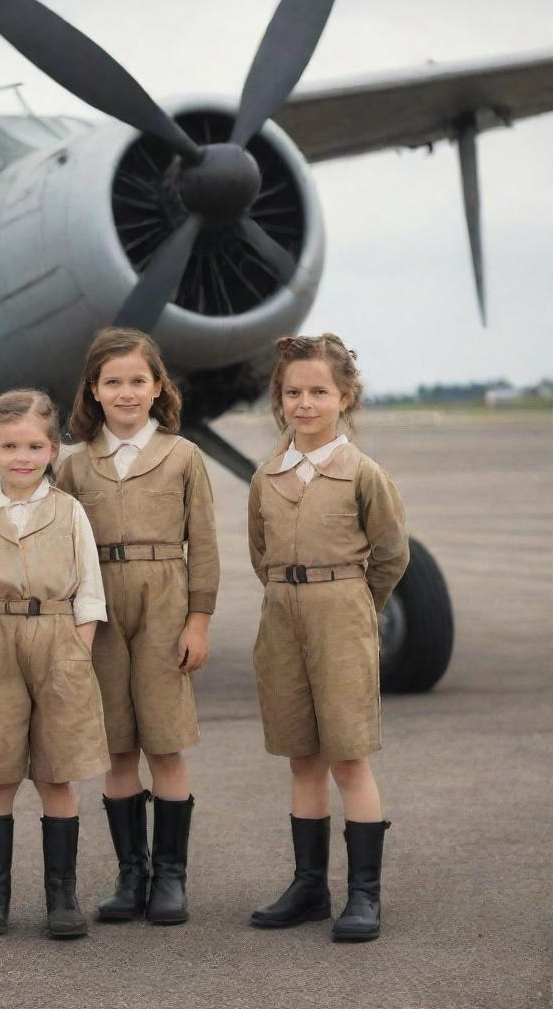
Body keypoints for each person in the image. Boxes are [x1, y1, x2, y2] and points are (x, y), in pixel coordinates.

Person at [247, 334, 409, 942]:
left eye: (318, 391)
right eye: (294, 392)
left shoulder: (363, 474)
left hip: (342, 611)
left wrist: (356, 608)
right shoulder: (268, 475)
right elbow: (261, 553)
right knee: (302, 757)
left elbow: (391, 554)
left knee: (348, 758)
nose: (305, 403)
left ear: (344, 396)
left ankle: (363, 895)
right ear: (280, 400)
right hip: (282, 614)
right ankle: (309, 887)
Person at [56, 327, 219, 926]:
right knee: (117, 747)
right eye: (113, 382)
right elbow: (61, 548)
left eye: (137, 381)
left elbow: (202, 546)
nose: (126, 392)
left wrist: (197, 621)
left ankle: (171, 878)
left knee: (165, 744)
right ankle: (133, 874)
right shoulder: (76, 467)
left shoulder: (182, 456)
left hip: (163, 602)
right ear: (94, 391)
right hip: (99, 607)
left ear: (158, 388)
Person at [0, 389, 110, 939]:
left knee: (56, 773)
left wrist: (77, 650)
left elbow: (90, 589)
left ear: (52, 450)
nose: (22, 456)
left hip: (58, 638)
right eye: (10, 445)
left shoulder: (70, 513)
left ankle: (61, 896)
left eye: (35, 446)